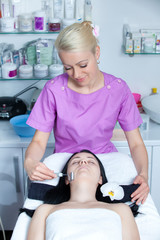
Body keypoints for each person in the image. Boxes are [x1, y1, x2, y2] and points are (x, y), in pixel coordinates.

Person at [24, 21, 149, 205]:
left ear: (96, 53)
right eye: (68, 67)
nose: (76, 73)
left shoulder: (117, 89)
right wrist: (30, 162)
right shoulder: (54, 90)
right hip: (66, 163)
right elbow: (38, 141)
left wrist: (143, 174)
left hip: (105, 161)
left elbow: (136, 143)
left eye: (83, 65)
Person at [26, 150, 140, 240]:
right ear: (66, 179)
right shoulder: (45, 210)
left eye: (91, 162)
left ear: (100, 178)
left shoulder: (121, 209)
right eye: (75, 162)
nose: (83, 162)